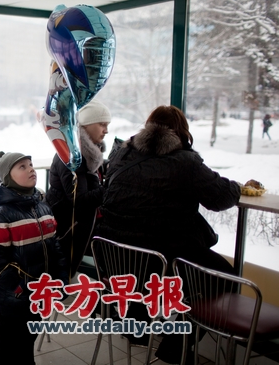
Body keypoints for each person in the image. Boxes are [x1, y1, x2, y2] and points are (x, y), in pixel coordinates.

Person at [95, 105, 241, 363]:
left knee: (164, 265)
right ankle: (178, 342)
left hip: (120, 260)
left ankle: (141, 326)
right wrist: (237, 187)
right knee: (225, 277)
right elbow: (220, 198)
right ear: (182, 132)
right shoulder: (185, 163)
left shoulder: (122, 153)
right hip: (162, 263)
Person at [0, 152, 68, 365]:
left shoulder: (43, 207)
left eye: (30, 164)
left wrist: (61, 277)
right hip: (16, 296)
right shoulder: (0, 215)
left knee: (29, 336)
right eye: (22, 166)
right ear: (8, 177)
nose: (30, 169)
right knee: (10, 340)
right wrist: (17, 287)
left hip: (40, 291)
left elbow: (54, 245)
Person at [44, 98, 111, 277]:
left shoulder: (88, 156)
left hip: (73, 227)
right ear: (86, 125)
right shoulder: (71, 158)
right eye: (102, 124)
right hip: (65, 229)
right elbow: (79, 202)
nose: (107, 130)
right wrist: (110, 187)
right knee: (58, 280)